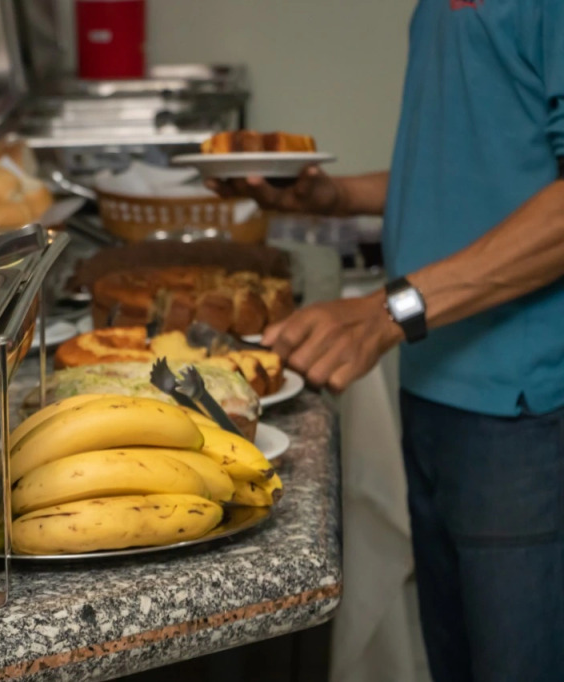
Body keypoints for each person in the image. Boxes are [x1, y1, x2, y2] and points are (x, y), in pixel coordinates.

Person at [209, 2, 564, 681]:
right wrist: (335, 198)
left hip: (524, 412)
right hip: (433, 382)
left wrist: (390, 311)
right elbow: (483, 172)